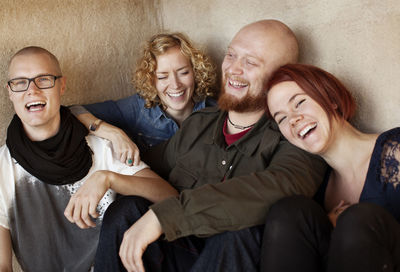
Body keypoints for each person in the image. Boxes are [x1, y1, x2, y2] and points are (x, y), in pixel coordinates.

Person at [94, 20, 327, 272]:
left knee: (239, 233)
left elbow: (281, 185)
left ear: (281, 74)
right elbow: (145, 168)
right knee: (126, 210)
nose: (233, 69)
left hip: (232, 257)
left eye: (250, 62)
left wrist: (167, 216)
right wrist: (107, 175)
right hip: (183, 251)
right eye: (231, 55)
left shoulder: (294, 133)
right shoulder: (199, 124)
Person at [0, 46, 178, 272]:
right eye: (20, 82)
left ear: (61, 85)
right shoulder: (3, 169)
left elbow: (171, 197)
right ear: (9, 92)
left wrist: (109, 178)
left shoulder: (101, 147)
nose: (32, 90)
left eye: (43, 79)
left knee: (130, 206)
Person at [261, 63, 400, 272]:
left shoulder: (395, 151)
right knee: (289, 211)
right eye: (281, 118)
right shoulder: (316, 185)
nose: (293, 120)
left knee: (356, 219)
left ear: (331, 99)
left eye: (299, 103)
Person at [70, 32, 217, 165]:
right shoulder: (138, 108)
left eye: (183, 73)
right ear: (151, 80)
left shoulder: (215, 111)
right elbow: (74, 111)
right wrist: (114, 134)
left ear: (196, 72)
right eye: (162, 77)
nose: (175, 85)